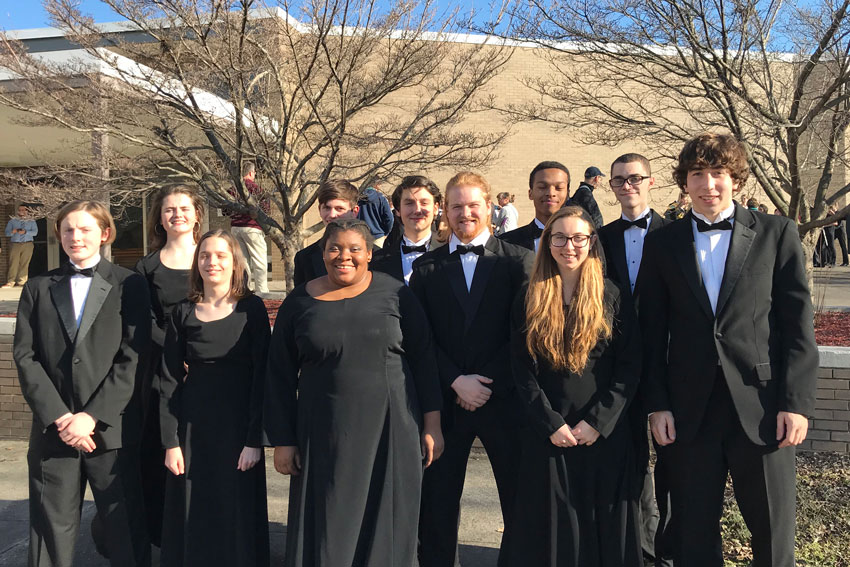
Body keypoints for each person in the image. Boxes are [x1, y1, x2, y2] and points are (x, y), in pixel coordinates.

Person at [641, 133, 818, 567]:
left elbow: (798, 326)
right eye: (697, 174)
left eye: (717, 173)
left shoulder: (778, 234)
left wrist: (795, 403)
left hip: (763, 407)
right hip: (689, 411)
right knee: (692, 531)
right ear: (685, 182)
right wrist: (657, 404)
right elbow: (649, 332)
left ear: (735, 179)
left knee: (773, 531)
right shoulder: (663, 242)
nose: (708, 184)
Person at [265, 218, 443, 567]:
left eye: (354, 249)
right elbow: (279, 375)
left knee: (387, 524)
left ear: (368, 254)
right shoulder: (299, 302)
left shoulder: (395, 293)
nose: (343, 256)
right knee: (330, 525)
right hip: (323, 433)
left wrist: (432, 424)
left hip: (391, 429)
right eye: (335, 248)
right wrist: (283, 440)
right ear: (322, 252)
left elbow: (424, 361)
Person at [13, 200, 151, 567]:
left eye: (85, 229)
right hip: (52, 433)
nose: (76, 236)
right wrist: (60, 416)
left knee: (124, 530)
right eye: (68, 229)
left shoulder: (130, 285)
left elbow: (133, 356)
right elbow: (25, 357)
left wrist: (91, 416)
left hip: (111, 431)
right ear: (58, 235)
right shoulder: (38, 287)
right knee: (48, 532)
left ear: (105, 234)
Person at [410, 171, 533, 567]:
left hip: (507, 400)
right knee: (438, 503)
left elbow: (525, 332)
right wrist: (455, 380)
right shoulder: (426, 268)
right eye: (456, 205)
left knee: (518, 501)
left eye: (473, 205)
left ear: (489, 207)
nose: (465, 213)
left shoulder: (520, 262)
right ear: (445, 210)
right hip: (445, 404)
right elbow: (420, 338)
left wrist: (484, 382)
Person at [507, 205, 642, 567]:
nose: (570, 246)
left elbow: (630, 366)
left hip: (603, 434)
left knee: (601, 529)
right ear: (547, 242)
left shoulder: (612, 295)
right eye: (560, 237)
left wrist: (597, 422)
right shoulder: (529, 296)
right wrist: (549, 423)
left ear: (592, 241)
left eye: (579, 237)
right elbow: (521, 369)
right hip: (548, 433)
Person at [159, 229, 270, 567]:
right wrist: (170, 441)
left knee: (234, 506)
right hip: (193, 428)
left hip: (238, 429)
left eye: (221, 255)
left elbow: (263, 378)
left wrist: (255, 440)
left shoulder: (251, 310)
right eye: (205, 255)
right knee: (195, 505)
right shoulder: (182, 312)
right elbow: (168, 379)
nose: (212, 262)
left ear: (235, 262)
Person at [596, 153, 672, 566]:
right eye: (620, 180)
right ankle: (638, 547)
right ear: (611, 186)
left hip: (667, 361)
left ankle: (667, 547)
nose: (628, 186)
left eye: (635, 178)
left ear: (651, 182)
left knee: (671, 459)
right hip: (620, 362)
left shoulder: (675, 234)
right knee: (631, 457)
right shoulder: (601, 238)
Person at [134, 185, 205, 548]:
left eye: (183, 208)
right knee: (163, 449)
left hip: (209, 370)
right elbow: (144, 323)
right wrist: (178, 357)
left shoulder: (213, 256)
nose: (176, 214)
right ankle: (164, 536)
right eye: (168, 210)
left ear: (197, 214)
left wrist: (200, 357)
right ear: (159, 219)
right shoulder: (147, 266)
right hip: (163, 371)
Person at [371, 175, 444, 284]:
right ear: (398, 210)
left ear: (435, 208)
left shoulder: (451, 255)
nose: (417, 210)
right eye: (409, 203)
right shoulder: (377, 261)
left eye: (424, 203)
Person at [292, 179, 360, 286]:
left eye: (339, 208)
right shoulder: (305, 258)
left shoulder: (376, 256)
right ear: (320, 210)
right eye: (327, 208)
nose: (332, 215)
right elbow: (301, 300)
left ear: (354, 211)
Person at [501, 161, 571, 252]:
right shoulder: (506, 244)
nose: (551, 193)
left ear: (568, 194)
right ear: (530, 194)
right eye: (542, 187)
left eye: (559, 188)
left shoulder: (583, 242)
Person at [228, 162, 270, 295]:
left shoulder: (232, 190)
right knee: (259, 260)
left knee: (242, 261)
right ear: (251, 173)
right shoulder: (258, 190)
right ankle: (262, 291)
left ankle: (244, 289)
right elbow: (265, 210)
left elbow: (225, 210)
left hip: (235, 228)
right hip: (252, 228)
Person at [4, 204, 38, 288]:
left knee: (25, 263)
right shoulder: (13, 221)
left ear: (27, 211)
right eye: (20, 210)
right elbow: (7, 233)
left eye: (23, 210)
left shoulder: (31, 221)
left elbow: (35, 232)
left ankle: (22, 282)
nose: (21, 212)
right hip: (15, 244)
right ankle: (10, 282)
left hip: (28, 244)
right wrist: (13, 231)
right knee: (13, 263)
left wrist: (26, 232)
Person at [357, 179, 395, 248]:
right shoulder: (381, 198)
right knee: (378, 257)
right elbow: (389, 218)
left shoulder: (358, 198)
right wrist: (385, 232)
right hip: (377, 236)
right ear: (377, 186)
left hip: (360, 235)